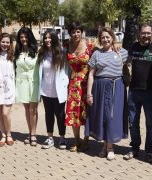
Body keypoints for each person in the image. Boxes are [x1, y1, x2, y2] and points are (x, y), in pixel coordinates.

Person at [123, 23, 152, 162]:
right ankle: (135, 148)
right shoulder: (133, 47)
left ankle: (149, 151)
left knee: (150, 124)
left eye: (149, 33)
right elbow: (125, 61)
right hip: (134, 91)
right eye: (143, 33)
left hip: (151, 92)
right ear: (139, 34)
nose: (146, 35)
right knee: (133, 123)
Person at [86, 27, 128, 160]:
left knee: (112, 117)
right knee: (102, 116)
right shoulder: (96, 54)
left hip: (117, 87)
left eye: (107, 36)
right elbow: (91, 74)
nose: (105, 39)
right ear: (100, 39)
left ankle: (109, 147)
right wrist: (89, 94)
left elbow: (135, 61)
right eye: (102, 37)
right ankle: (105, 146)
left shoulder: (121, 52)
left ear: (112, 38)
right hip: (100, 87)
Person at [37, 30, 69, 149]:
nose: (47, 40)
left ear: (54, 39)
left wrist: (66, 84)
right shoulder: (42, 53)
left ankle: (62, 138)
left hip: (58, 90)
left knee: (60, 115)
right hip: (46, 90)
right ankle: (50, 137)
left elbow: (67, 71)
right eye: (45, 38)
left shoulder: (62, 53)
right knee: (48, 114)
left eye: (50, 38)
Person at [65, 22, 92, 152]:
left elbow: (104, 51)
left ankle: (86, 141)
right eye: (73, 32)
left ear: (82, 32)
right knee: (73, 113)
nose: (75, 34)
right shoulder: (66, 45)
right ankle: (76, 140)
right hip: (73, 84)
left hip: (87, 84)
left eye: (78, 31)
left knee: (85, 113)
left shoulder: (90, 46)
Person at [14, 27, 39, 146]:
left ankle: (33, 135)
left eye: (25, 36)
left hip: (34, 83)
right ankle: (30, 133)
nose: (23, 39)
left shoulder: (37, 51)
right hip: (22, 83)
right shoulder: (17, 52)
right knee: (26, 109)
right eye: (21, 37)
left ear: (29, 37)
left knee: (33, 109)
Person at [0, 33, 15, 147]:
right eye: (3, 42)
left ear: (10, 44)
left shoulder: (13, 56)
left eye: (7, 42)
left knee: (6, 113)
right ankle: (3, 135)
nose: (5, 44)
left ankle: (9, 134)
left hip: (9, 88)